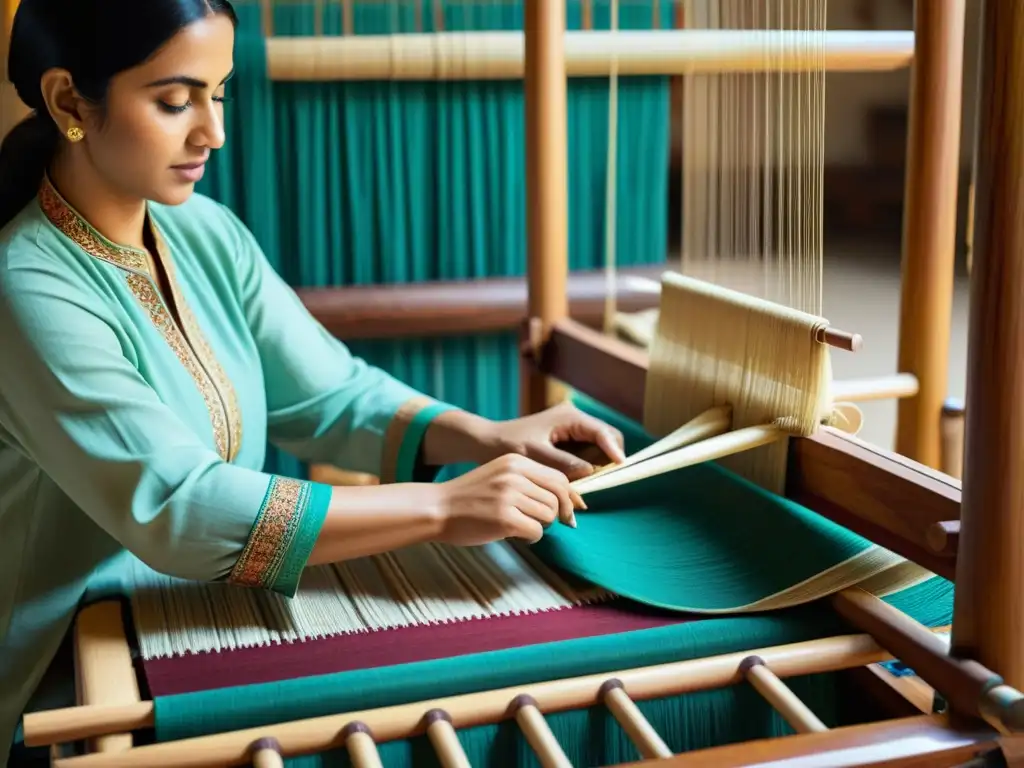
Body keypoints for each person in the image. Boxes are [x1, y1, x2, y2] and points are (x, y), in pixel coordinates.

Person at [0, 1, 627, 763]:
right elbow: (176, 504)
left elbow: (325, 394)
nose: (213, 133)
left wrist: (484, 434)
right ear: (69, 100)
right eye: (174, 101)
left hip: (190, 624)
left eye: (218, 94)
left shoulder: (205, 233)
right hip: (70, 668)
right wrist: (440, 507)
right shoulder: (26, 287)